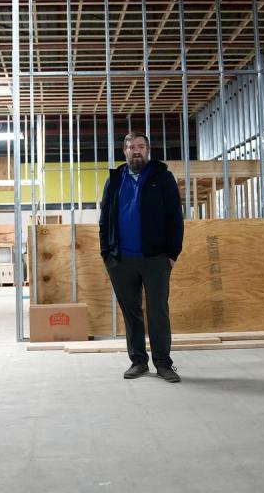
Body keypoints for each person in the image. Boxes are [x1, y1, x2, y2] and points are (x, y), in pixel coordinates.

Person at [98, 131, 184, 383]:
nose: (136, 150)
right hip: (121, 260)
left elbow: (175, 219)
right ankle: (138, 361)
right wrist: (107, 253)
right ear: (124, 151)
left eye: (141, 146)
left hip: (155, 257)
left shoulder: (162, 178)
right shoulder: (114, 180)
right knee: (131, 312)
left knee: (158, 311)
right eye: (130, 146)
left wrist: (171, 253)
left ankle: (163, 363)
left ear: (148, 150)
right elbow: (104, 220)